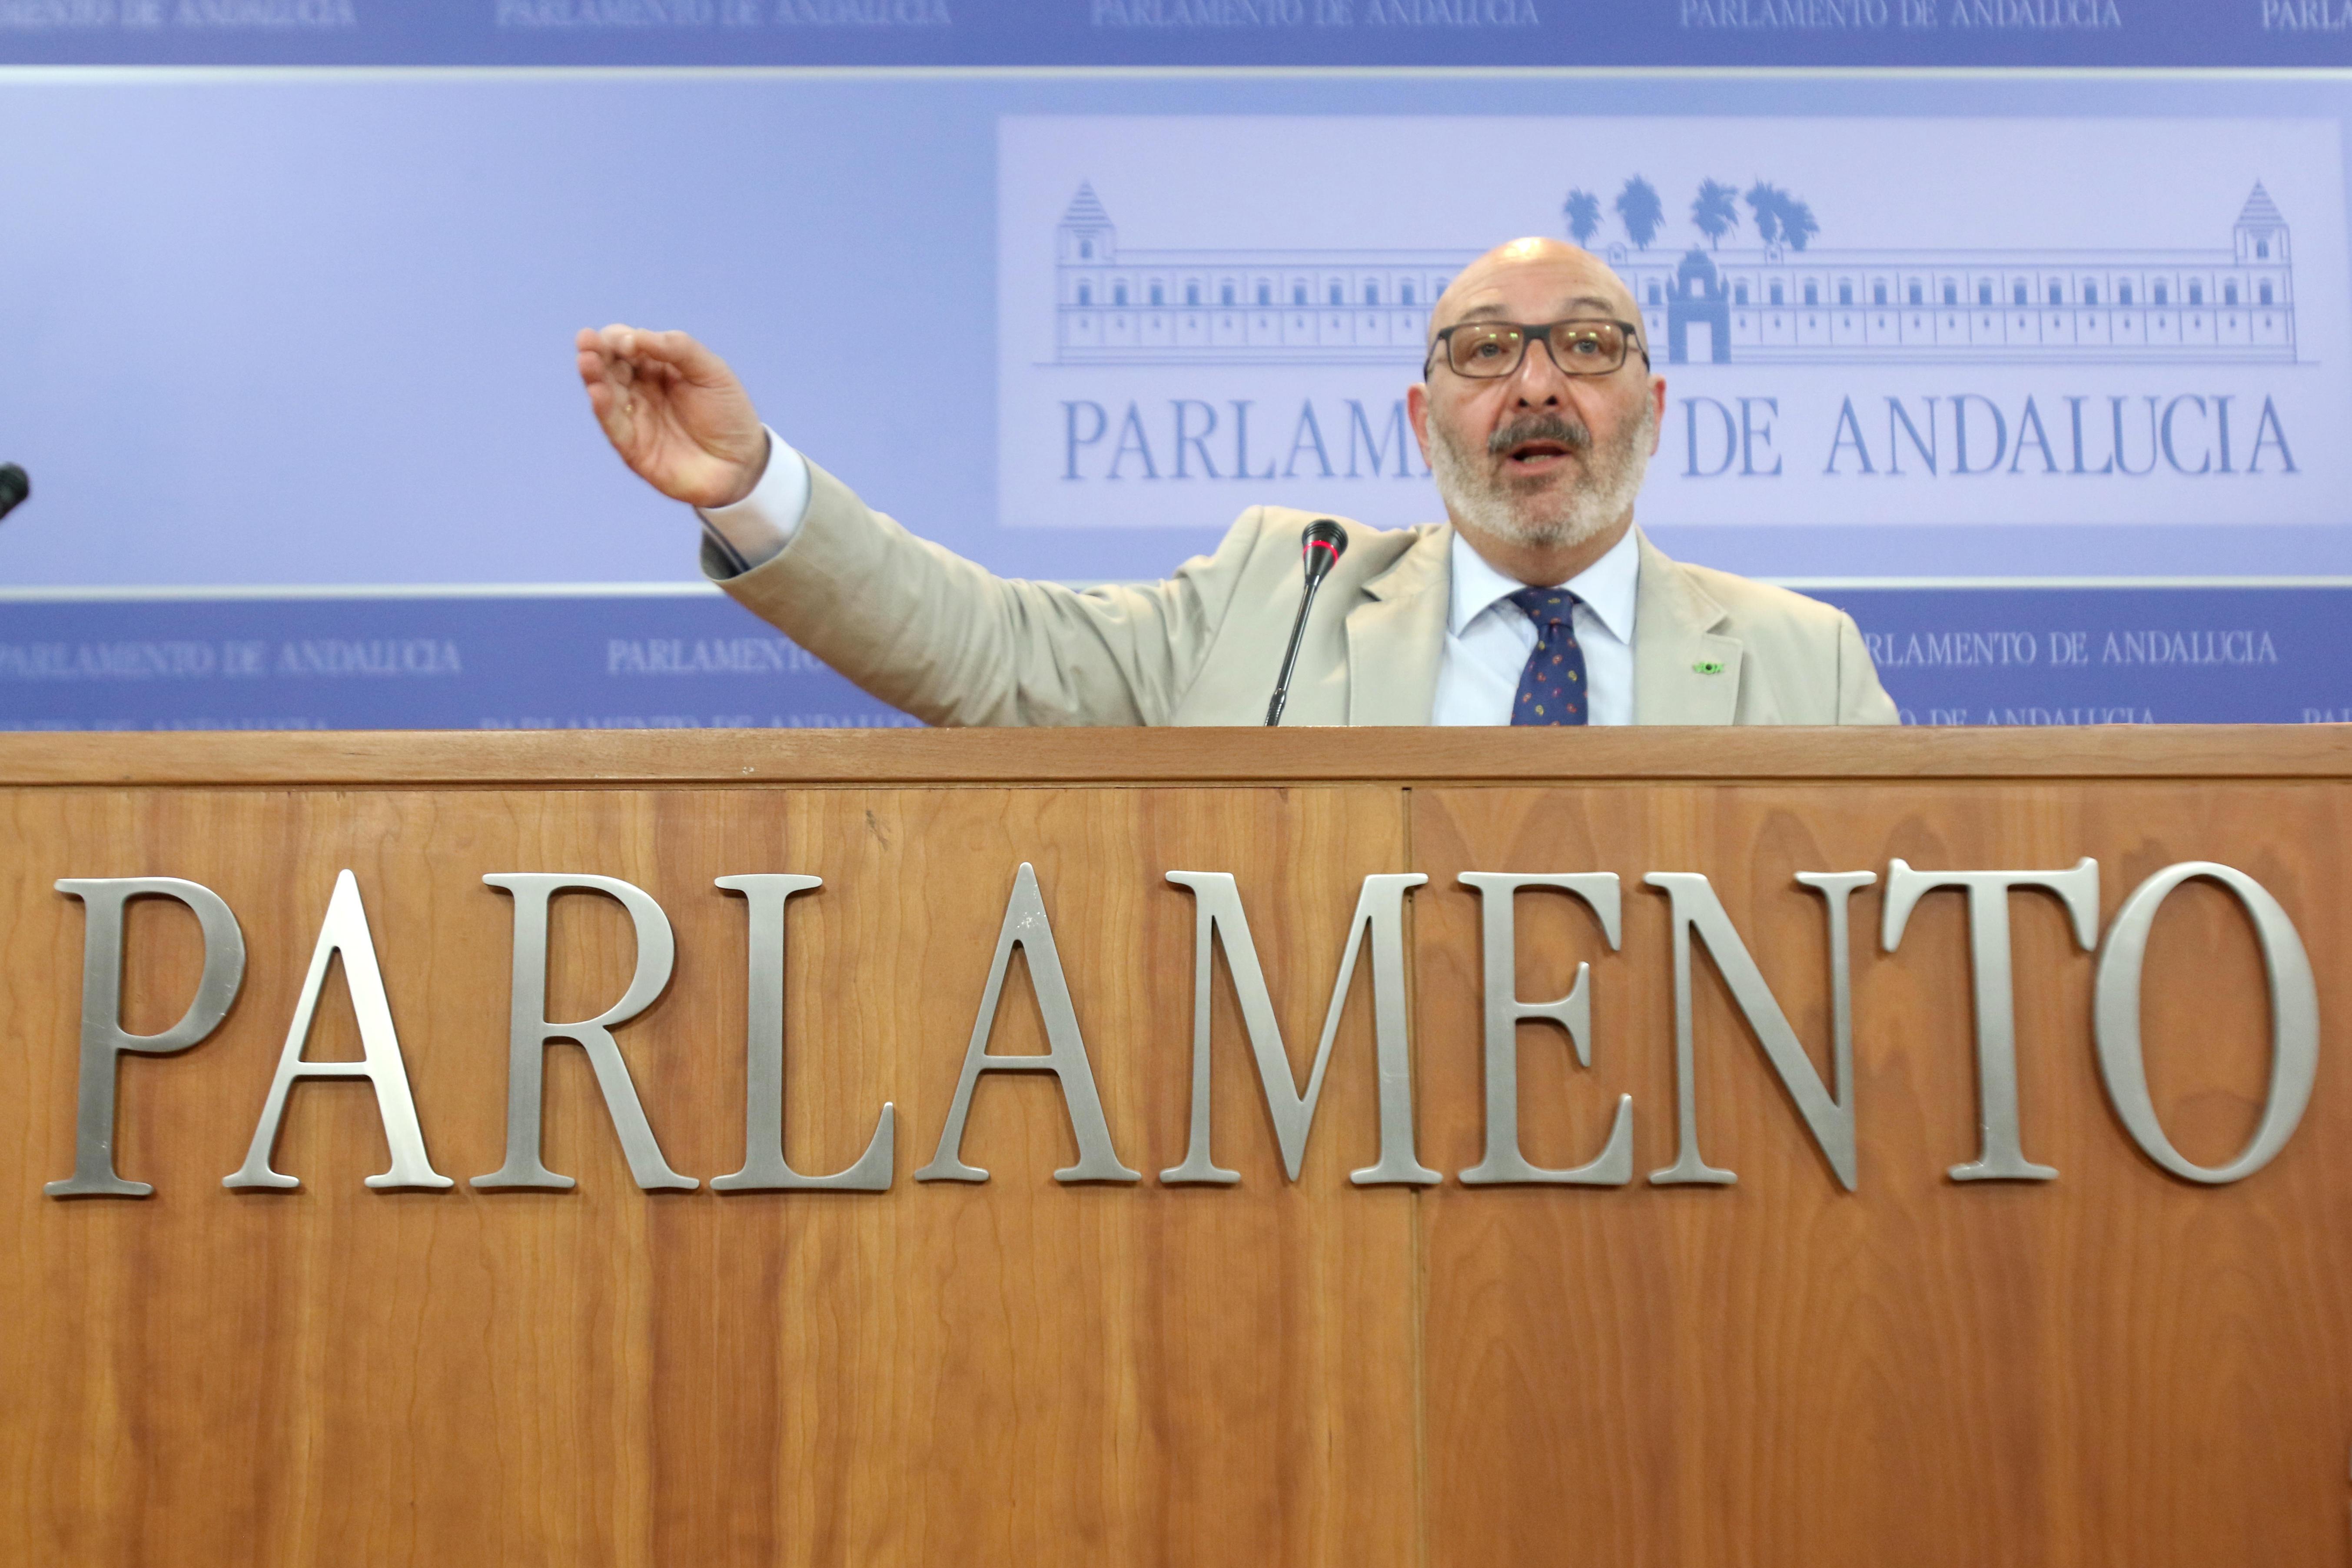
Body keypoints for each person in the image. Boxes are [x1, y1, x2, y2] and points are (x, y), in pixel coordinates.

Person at [576, 237, 1898, 727]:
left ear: (1652, 409)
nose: (1537, 385)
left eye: (1589, 346)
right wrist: (752, 487)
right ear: (1421, 419)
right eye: (1486, 350)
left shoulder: (1806, 666)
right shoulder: (1281, 597)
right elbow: (985, 653)